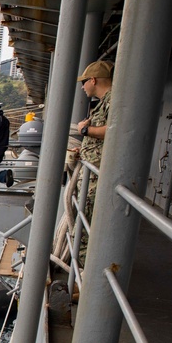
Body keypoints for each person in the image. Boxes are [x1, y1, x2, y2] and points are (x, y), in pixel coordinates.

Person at [72, 60, 114, 260]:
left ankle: (82, 271)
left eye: (85, 81)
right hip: (92, 171)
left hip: (97, 175)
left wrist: (85, 130)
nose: (82, 86)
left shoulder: (113, 99)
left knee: (87, 222)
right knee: (83, 220)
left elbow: (114, 130)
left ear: (94, 80)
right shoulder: (105, 102)